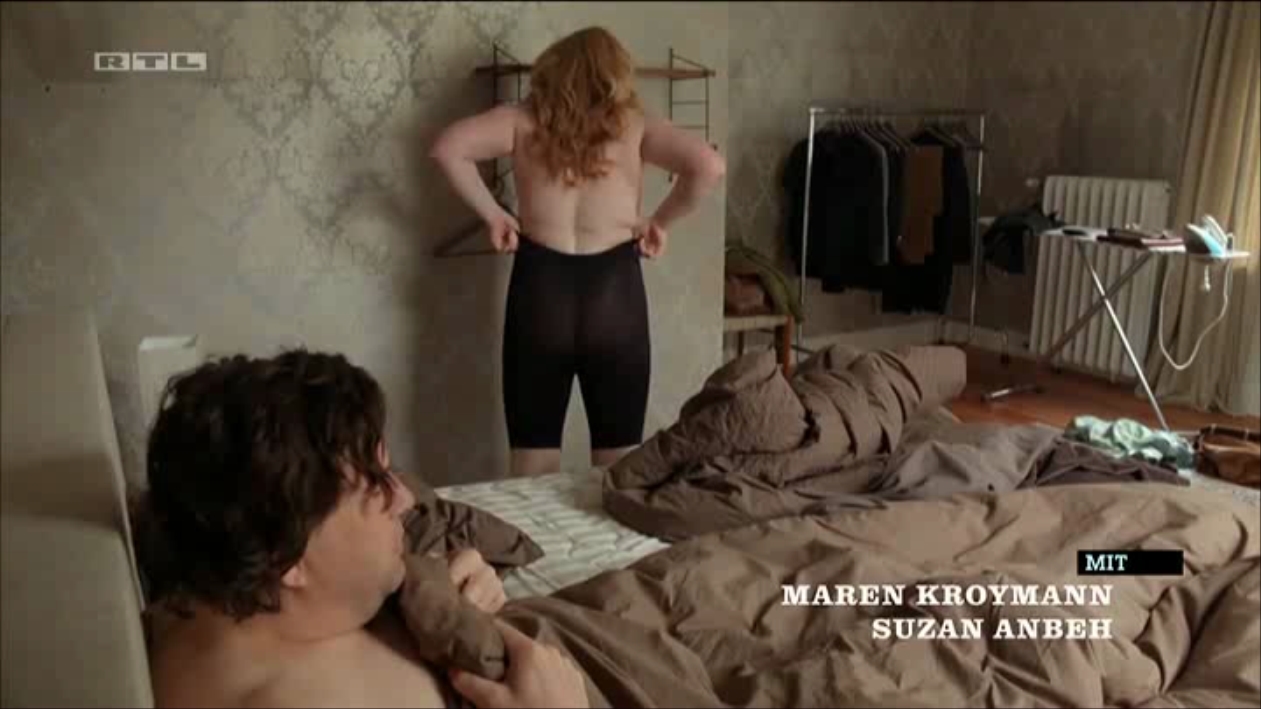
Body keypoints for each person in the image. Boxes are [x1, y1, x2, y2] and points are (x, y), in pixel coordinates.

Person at [138, 349, 589, 708]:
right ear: (285, 558)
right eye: (376, 487)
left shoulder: (227, 580)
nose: (405, 499)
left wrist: (448, 586)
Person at [430, 27, 726, 477]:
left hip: (540, 291)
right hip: (615, 294)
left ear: (552, 70)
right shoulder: (635, 125)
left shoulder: (521, 120)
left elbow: (446, 148)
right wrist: (659, 222)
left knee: (532, 457)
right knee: (619, 461)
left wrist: (494, 216)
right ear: (616, 75)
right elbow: (708, 165)